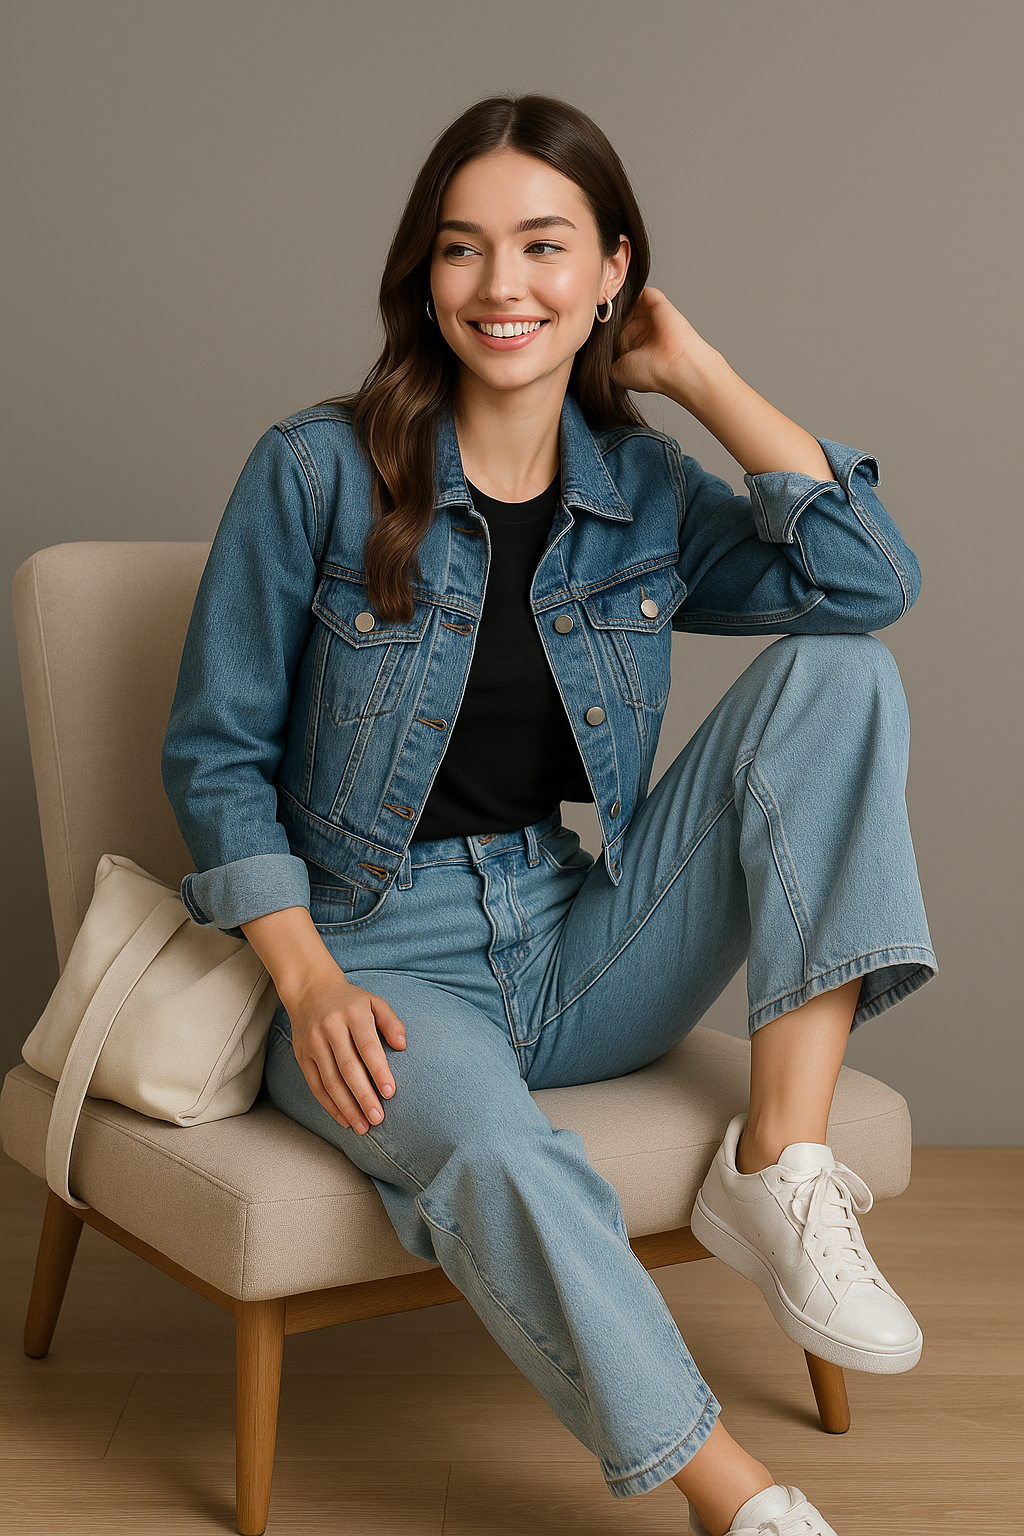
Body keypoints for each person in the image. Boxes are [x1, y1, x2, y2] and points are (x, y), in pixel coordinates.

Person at [161, 93, 937, 1536]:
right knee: (506, 1155)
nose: (500, 285)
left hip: (572, 934)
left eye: (543, 245)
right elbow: (214, 755)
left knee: (844, 676)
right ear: (424, 274)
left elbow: (864, 581)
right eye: (462, 248)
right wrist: (307, 980)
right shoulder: (317, 471)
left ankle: (780, 1161)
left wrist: (698, 374)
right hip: (370, 964)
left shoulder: (641, 490)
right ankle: (739, 1502)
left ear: (611, 271)